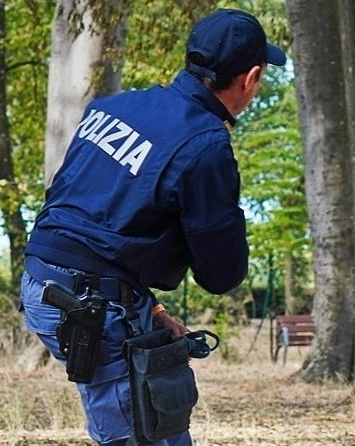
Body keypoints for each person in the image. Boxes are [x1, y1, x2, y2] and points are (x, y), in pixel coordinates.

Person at [18, 8, 286, 446]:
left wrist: (153, 311)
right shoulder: (205, 146)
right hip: (91, 306)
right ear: (251, 77)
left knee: (158, 426)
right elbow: (221, 275)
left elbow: (91, 223)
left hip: (44, 283)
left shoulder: (113, 107)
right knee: (145, 437)